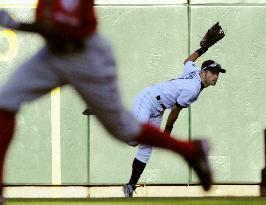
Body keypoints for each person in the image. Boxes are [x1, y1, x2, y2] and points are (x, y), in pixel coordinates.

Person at [0, 1, 212, 202]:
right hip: (53, 54)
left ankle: (190, 150)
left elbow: (63, 32)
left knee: (127, 132)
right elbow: (49, 28)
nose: (213, 74)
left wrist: (14, 24)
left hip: (85, 56)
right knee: (6, 100)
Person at [122, 40, 226, 197]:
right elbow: (175, 110)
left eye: (218, 73)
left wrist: (203, 49)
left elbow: (188, 61)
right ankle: (111, 112)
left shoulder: (194, 71)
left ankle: (130, 186)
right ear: (204, 72)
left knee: (146, 146)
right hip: (148, 99)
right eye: (213, 72)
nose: (216, 76)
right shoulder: (193, 89)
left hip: (158, 108)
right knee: (133, 141)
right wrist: (168, 130)